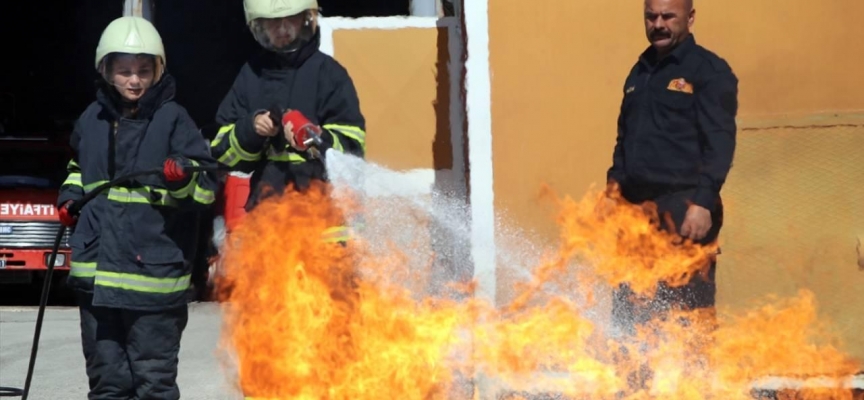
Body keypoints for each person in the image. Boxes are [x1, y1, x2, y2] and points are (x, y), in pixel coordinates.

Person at [56, 16, 220, 400]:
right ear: (105, 70)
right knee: (107, 384)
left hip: (153, 285)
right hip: (96, 279)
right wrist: (69, 198)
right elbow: (78, 168)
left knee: (154, 385)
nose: (134, 81)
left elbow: (207, 189)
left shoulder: (174, 120)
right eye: (124, 71)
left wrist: (180, 178)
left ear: (158, 71)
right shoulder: (91, 120)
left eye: (144, 71)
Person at [606, 0, 738, 339]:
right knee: (630, 312)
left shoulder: (709, 71)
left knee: (686, 314)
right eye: (651, 17)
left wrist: (703, 203)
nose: (658, 24)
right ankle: (632, 374)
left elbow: (720, 144)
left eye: (668, 16)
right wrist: (613, 192)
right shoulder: (640, 72)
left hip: (683, 208)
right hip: (637, 213)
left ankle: (693, 374)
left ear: (690, 18)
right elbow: (624, 139)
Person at [210, 0, 366, 224]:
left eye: (290, 19)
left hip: (323, 223)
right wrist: (252, 130)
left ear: (306, 19)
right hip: (268, 223)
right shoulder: (251, 75)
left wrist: (315, 139)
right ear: (259, 26)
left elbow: (353, 150)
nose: (282, 29)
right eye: (273, 22)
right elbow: (222, 154)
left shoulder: (330, 74)